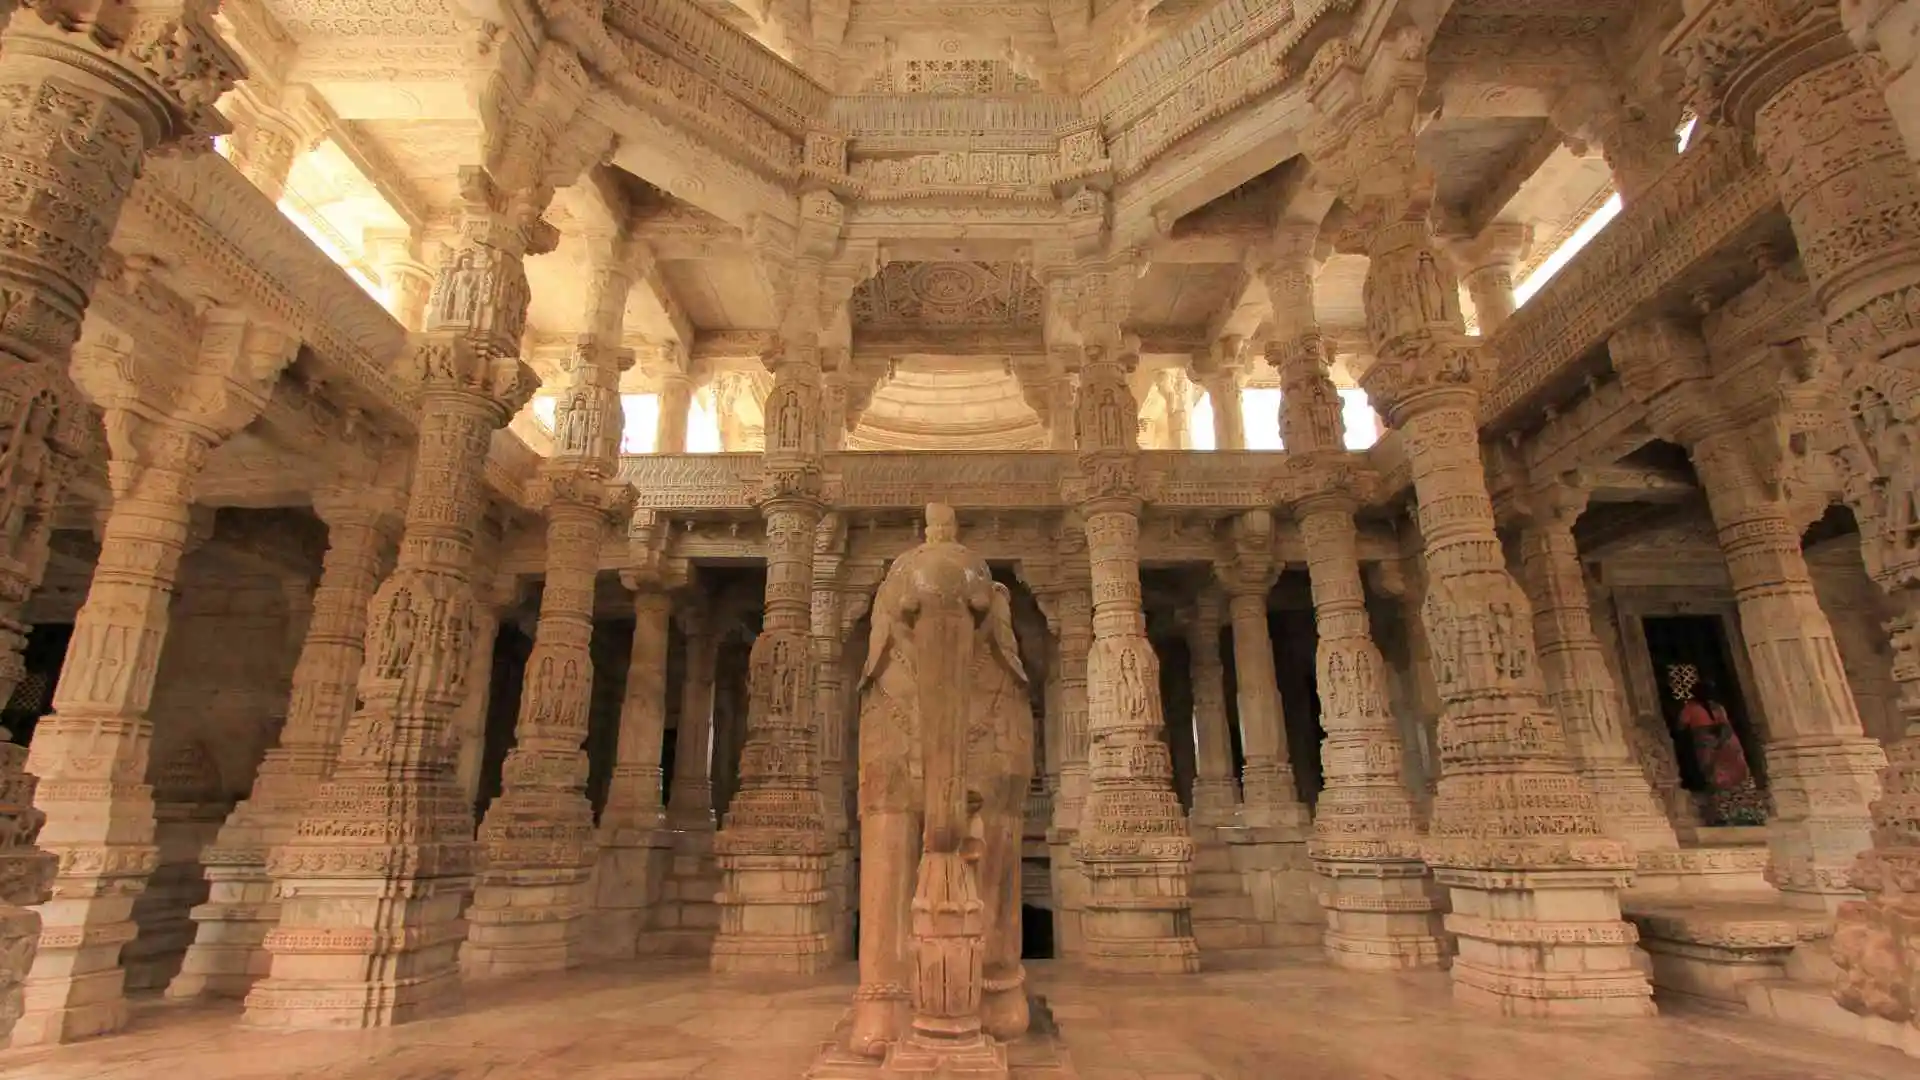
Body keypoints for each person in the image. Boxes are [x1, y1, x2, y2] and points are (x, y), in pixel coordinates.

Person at [1670, 665, 1767, 825]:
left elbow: (1680, 726)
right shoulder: (1718, 708)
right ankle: (1749, 814)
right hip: (1727, 745)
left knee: (1716, 780)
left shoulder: (1691, 708)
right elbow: (1725, 727)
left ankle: (1724, 816)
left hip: (1707, 743)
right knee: (1737, 780)